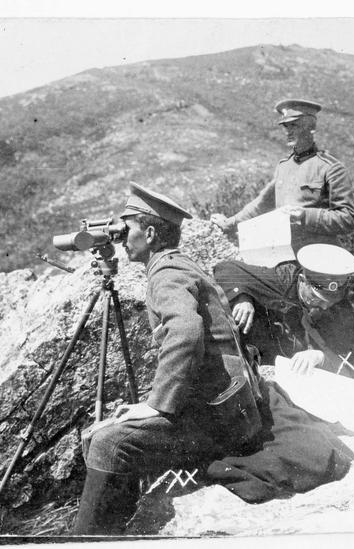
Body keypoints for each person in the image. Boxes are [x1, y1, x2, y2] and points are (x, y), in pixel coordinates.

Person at [73, 183, 254, 535]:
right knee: (118, 429)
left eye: (128, 230)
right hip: (230, 408)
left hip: (220, 422)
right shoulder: (179, 264)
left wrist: (157, 406)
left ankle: (89, 539)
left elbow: (186, 333)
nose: (122, 238)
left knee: (108, 441)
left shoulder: (166, 273)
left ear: (151, 233)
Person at [210, 99, 354, 253]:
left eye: (294, 125)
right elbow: (261, 204)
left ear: (311, 128)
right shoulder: (284, 166)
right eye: (286, 126)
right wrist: (230, 223)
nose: (288, 131)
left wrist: (304, 215)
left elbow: (348, 219)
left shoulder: (331, 167)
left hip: (317, 254)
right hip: (284, 250)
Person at [214, 243, 354, 382]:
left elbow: (350, 364)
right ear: (302, 280)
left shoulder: (341, 310)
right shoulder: (284, 277)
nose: (324, 306)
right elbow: (226, 268)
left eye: (330, 301)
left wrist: (319, 357)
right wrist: (243, 296)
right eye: (317, 299)